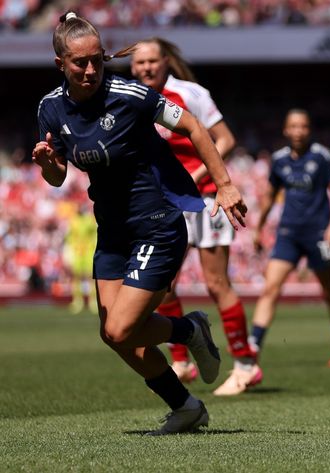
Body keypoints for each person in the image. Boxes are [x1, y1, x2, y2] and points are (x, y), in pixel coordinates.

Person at [33, 12, 247, 434]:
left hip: (157, 224)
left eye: (98, 59)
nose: (92, 69)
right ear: (61, 64)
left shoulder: (130, 94)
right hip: (112, 231)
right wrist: (48, 165)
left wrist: (223, 184)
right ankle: (185, 406)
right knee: (114, 337)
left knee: (121, 327)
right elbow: (57, 176)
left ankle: (189, 328)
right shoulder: (50, 108)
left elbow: (193, 126)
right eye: (80, 63)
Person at [130, 38, 260, 396]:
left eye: (152, 61)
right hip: (164, 203)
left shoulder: (190, 94)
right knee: (164, 285)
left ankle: (247, 365)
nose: (146, 68)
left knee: (216, 283)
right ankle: (182, 359)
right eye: (139, 63)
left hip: (205, 200)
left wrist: (201, 178)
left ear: (166, 62)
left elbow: (226, 140)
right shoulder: (130, 98)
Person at [249, 109, 330, 368]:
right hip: (288, 233)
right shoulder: (279, 160)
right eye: (293, 126)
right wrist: (258, 228)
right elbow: (271, 196)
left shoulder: (322, 155)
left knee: (329, 291)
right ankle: (253, 347)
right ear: (285, 130)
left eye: (303, 126)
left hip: (318, 232)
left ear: (309, 129)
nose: (298, 131)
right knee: (270, 288)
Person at [63, 203, 97, 314]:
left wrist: (94, 247)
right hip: (77, 252)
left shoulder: (90, 220)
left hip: (88, 251)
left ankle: (93, 301)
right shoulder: (73, 221)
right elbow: (69, 237)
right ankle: (78, 301)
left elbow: (94, 235)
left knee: (90, 276)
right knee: (76, 276)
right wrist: (69, 250)